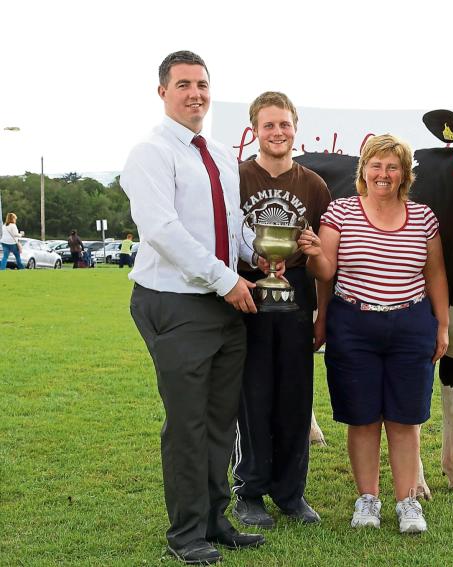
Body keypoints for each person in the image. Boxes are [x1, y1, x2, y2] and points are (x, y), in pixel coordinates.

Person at [120, 50, 270, 565]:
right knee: (187, 422)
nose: (195, 93)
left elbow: (231, 226)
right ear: (162, 91)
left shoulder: (220, 153)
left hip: (224, 301)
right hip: (176, 301)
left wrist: (265, 253)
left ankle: (215, 519)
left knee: (219, 421)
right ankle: (185, 532)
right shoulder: (151, 153)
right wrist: (228, 280)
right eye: (183, 84)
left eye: (202, 84)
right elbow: (162, 231)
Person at [303, 134, 449, 534]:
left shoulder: (423, 217)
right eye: (376, 165)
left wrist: (443, 324)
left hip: (411, 324)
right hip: (354, 325)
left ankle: (407, 503)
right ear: (363, 171)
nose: (384, 174)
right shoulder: (340, 212)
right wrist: (314, 253)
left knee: (405, 420)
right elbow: (326, 273)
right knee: (363, 419)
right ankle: (367, 499)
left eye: (393, 166)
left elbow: (434, 273)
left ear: (404, 174)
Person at [231, 92, 331, 528]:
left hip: (296, 303)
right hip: (248, 299)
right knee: (252, 399)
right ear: (254, 129)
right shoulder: (234, 178)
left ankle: (292, 494)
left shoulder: (313, 185)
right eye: (268, 125)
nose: (277, 133)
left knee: (295, 398)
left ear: (296, 128)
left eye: (284, 125)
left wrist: (321, 314)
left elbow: (324, 261)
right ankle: (250, 492)